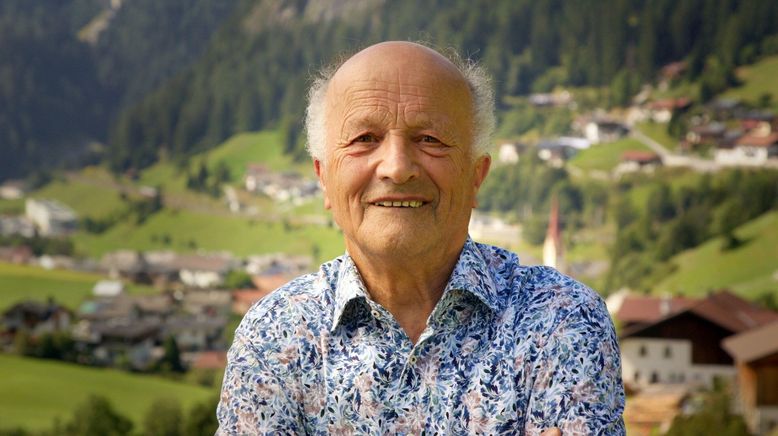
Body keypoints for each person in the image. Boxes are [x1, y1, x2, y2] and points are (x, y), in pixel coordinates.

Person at [217, 41, 625, 435]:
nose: (397, 167)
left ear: (476, 177)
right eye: (365, 139)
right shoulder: (274, 336)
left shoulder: (561, 318)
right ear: (324, 177)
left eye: (429, 139)